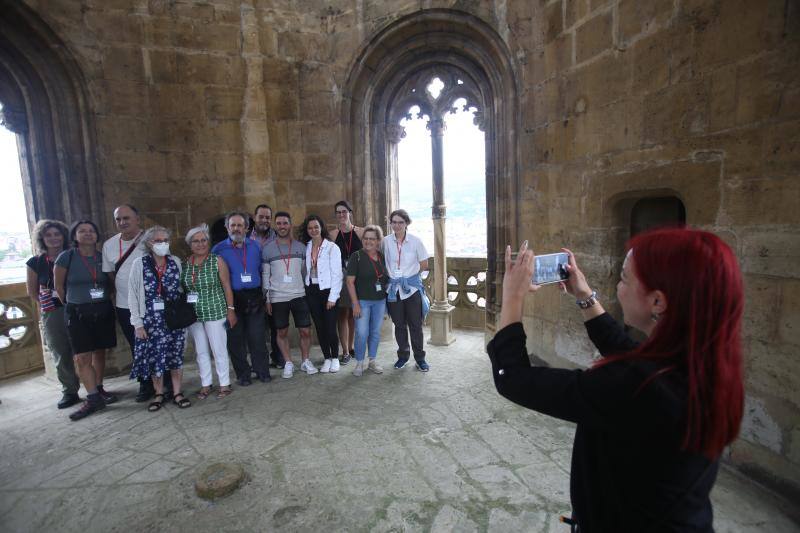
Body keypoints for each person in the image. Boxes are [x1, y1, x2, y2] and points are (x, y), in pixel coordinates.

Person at [488, 229, 745, 532]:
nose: (617, 286)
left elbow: (514, 378)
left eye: (624, 278)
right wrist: (584, 296)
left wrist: (512, 297)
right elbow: (627, 351)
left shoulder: (638, 387)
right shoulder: (702, 364)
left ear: (658, 301)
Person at [53, 219, 118, 421]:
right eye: (82, 231)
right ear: (75, 236)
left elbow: (111, 282)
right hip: (78, 311)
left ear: (97, 235)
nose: (88, 234)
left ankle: (98, 388)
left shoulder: (102, 257)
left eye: (91, 231)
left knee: (100, 351)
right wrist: (74, 304)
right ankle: (92, 398)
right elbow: (59, 287)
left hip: (102, 310)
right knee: (82, 356)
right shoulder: (66, 257)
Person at [128, 226, 190, 411]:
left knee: (175, 357)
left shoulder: (175, 262)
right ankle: (159, 393)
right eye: (158, 240)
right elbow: (133, 295)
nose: (162, 244)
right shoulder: (139, 264)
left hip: (173, 319)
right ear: (149, 243)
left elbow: (180, 288)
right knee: (155, 358)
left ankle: (177, 392)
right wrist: (137, 323)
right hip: (150, 321)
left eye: (165, 240)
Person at [101, 204, 157, 402]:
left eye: (127, 218)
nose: (123, 222)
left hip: (152, 304)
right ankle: (145, 383)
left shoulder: (149, 240)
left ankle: (163, 380)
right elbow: (109, 274)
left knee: (158, 343)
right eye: (118, 219)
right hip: (125, 305)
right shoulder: (108, 245)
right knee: (137, 345)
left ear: (137, 219)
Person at [212, 211, 271, 386]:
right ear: (227, 227)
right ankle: (243, 374)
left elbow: (262, 270)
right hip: (232, 299)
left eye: (240, 225)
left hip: (254, 296)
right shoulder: (218, 250)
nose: (236, 229)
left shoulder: (256, 247)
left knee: (257, 336)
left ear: (246, 228)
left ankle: (262, 370)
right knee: (236, 339)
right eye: (233, 225)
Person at [26, 219, 80, 409]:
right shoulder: (35, 262)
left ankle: (94, 387)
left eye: (57, 234)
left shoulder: (73, 256)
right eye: (48, 235)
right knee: (60, 351)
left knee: (84, 349)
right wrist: (49, 304)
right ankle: (70, 390)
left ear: (63, 236)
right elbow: (32, 292)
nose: (53, 238)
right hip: (53, 312)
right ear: (42, 238)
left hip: (77, 307)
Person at [181, 224, 236, 399]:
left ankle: (224, 383)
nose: (200, 244)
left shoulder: (216, 261)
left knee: (218, 349)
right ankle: (206, 384)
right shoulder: (185, 264)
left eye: (203, 240)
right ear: (190, 244)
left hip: (215, 312)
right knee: (201, 351)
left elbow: (227, 286)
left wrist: (231, 310)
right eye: (196, 241)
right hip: (194, 315)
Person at [262, 211, 315, 378]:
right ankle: (288, 363)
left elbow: (306, 272)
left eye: (285, 223)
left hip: (299, 295)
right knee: (281, 333)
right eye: (279, 223)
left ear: (290, 225)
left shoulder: (301, 247)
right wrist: (267, 299)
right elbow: (265, 276)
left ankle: (306, 361)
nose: (282, 226)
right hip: (278, 298)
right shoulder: (268, 249)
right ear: (275, 226)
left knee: (305, 331)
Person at [382, 209, 430, 371]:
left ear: (406, 223)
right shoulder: (386, 241)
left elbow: (424, 264)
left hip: (411, 290)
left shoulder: (416, 241)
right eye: (394, 222)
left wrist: (409, 278)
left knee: (416, 325)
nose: (397, 225)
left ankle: (420, 358)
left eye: (400, 222)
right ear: (391, 223)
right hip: (393, 289)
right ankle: (403, 356)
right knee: (399, 325)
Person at [300, 215, 343, 373]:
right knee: (320, 327)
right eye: (310, 228)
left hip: (328, 291)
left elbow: (338, 275)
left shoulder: (332, 247)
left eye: (316, 227)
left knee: (331, 328)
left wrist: (333, 297)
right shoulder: (307, 246)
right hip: (312, 290)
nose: (313, 230)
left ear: (321, 228)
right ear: (307, 230)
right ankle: (327, 358)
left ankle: (335, 358)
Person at [345, 225, 388, 377]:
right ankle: (359, 362)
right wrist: (355, 303)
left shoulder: (382, 257)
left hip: (380, 301)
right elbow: (349, 282)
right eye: (366, 238)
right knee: (362, 333)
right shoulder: (356, 256)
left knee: (375, 332)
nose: (368, 241)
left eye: (372, 239)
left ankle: (372, 360)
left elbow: (385, 279)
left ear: (378, 241)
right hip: (362, 301)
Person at [329, 200, 364, 365]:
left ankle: (351, 347)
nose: (341, 215)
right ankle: (344, 351)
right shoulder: (333, 235)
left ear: (350, 212)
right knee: (342, 314)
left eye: (344, 211)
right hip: (340, 278)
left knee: (353, 314)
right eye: (338, 212)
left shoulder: (361, 232)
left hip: (357, 278)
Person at [250, 203, 284, 369]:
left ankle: (278, 358)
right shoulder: (246, 238)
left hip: (273, 287)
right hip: (253, 289)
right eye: (261, 217)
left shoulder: (278, 237)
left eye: (267, 217)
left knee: (276, 325)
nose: (264, 220)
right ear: (254, 217)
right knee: (256, 329)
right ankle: (259, 363)